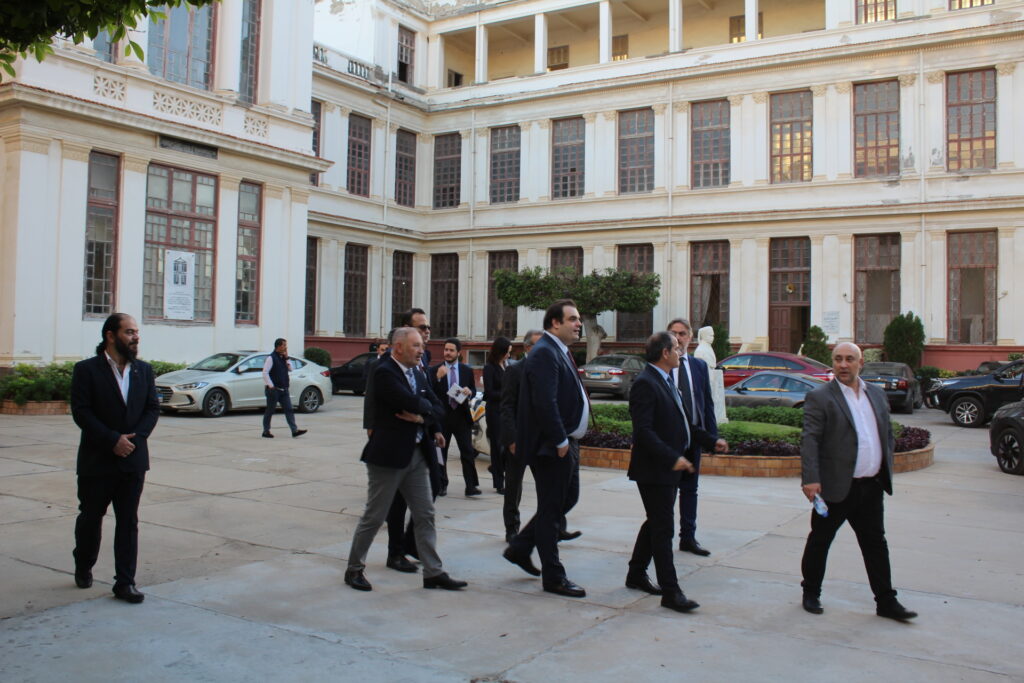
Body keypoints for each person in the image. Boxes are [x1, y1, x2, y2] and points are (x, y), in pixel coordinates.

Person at [800, 342, 917, 621]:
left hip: (871, 486)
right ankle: (811, 592)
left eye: (849, 359)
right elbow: (810, 439)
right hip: (836, 487)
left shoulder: (875, 393)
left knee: (875, 544)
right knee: (820, 541)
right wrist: (811, 479)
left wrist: (885, 466)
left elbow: (886, 433)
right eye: (838, 359)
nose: (843, 364)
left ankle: (886, 602)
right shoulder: (820, 397)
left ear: (860, 363)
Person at [344, 327, 467, 592]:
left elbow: (437, 406)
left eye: (422, 345)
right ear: (398, 347)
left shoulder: (417, 373)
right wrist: (425, 410)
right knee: (375, 516)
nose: (422, 350)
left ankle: (433, 572)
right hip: (388, 457)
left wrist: (424, 419)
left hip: (417, 454)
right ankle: (354, 569)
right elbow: (409, 401)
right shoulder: (384, 371)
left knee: (425, 513)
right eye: (416, 346)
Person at [626, 331, 728, 613]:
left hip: (669, 467)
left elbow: (685, 425)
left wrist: (711, 440)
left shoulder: (668, 381)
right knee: (663, 529)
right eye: (676, 348)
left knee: (655, 522)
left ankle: (636, 573)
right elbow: (644, 432)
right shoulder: (646, 383)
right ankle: (671, 592)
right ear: (664, 353)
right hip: (654, 470)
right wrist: (673, 457)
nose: (681, 353)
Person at [70, 313, 160, 604]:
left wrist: (135, 439)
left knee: (128, 522)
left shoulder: (143, 370)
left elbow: (152, 409)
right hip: (97, 460)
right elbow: (81, 412)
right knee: (90, 518)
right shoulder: (86, 370)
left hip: (133, 460)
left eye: (136, 332)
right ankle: (84, 564)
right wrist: (112, 440)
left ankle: (125, 582)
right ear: (110, 335)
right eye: (129, 332)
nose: (136, 337)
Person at [502, 300, 588, 598]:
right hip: (551, 447)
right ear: (555, 323)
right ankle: (554, 577)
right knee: (551, 512)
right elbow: (544, 401)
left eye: (578, 319)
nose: (578, 324)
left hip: (565, 442)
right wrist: (560, 440)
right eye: (573, 319)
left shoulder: (559, 350)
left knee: (566, 499)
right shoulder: (544, 353)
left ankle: (520, 546)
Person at [667, 319, 717, 556]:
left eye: (682, 333)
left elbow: (707, 403)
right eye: (673, 333)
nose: (678, 338)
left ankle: (688, 537)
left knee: (690, 491)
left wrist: (712, 438)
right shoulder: (663, 366)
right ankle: (662, 537)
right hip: (669, 443)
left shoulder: (698, 366)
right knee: (667, 492)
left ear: (690, 337)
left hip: (693, 440)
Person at [500, 330, 542, 543]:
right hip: (519, 439)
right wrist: (511, 439)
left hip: (541, 440)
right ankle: (512, 528)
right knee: (513, 486)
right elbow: (506, 407)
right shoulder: (514, 371)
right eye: (538, 346)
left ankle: (553, 526)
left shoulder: (548, 370)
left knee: (547, 487)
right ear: (527, 347)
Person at [431, 338, 480, 497]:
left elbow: (472, 388)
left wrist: (469, 391)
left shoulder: (466, 370)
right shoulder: (435, 370)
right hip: (442, 417)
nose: (448, 353)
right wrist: (438, 378)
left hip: (461, 416)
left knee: (467, 452)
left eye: (451, 350)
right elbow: (429, 391)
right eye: (446, 349)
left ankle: (471, 486)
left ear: (458, 353)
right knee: (441, 453)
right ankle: (441, 484)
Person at [262, 338, 307, 438]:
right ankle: (266, 431)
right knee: (270, 410)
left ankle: (294, 430)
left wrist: (287, 358)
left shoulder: (284, 358)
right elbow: (265, 373)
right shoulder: (271, 358)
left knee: (289, 409)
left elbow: (291, 369)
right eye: (284, 345)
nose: (286, 347)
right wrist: (271, 386)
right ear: (278, 346)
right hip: (274, 390)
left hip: (284, 389)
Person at [483, 337, 512, 494]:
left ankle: (496, 468)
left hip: (506, 412)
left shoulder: (506, 365)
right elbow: (489, 392)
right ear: (500, 351)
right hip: (494, 412)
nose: (509, 355)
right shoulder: (489, 368)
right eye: (507, 352)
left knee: (507, 446)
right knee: (497, 446)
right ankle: (499, 483)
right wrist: (507, 395)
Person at [694, 326, 728, 425]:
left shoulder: (708, 348)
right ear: (704, 336)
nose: (712, 337)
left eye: (713, 335)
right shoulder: (700, 350)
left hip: (712, 375)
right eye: (710, 335)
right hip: (707, 377)